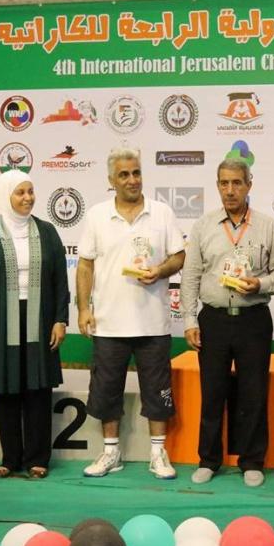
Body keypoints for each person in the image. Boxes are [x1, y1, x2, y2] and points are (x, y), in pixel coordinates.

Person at [180, 158, 274, 487]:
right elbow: (190, 276)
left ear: (248, 185)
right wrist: (189, 319)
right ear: (217, 186)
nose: (230, 190)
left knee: (253, 393)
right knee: (212, 393)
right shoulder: (203, 226)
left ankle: (252, 461)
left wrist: (261, 284)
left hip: (253, 319)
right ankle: (208, 459)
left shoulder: (267, 226)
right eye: (224, 183)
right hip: (213, 319)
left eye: (237, 183)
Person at [77, 147, 185, 480]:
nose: (132, 180)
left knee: (157, 392)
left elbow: (179, 257)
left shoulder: (162, 212)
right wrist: (83, 308)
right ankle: (111, 452)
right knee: (106, 392)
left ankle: (158, 453)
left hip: (153, 324)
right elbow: (85, 266)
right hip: (109, 324)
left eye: (136, 173)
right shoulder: (96, 215)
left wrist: (160, 270)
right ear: (112, 180)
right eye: (124, 174)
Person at [0, 170, 69, 479]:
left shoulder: (47, 232)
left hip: (40, 319)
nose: (28, 198)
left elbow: (60, 280)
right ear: (5, 195)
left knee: (38, 388)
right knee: (6, 387)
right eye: (20, 192)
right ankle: (10, 458)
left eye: (30, 191)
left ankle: (38, 458)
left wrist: (60, 319)